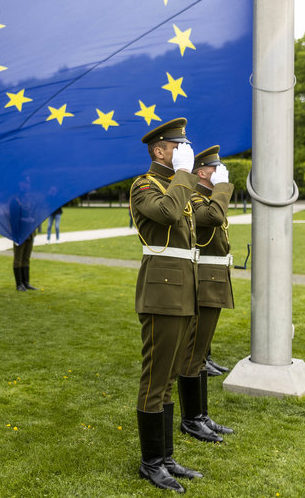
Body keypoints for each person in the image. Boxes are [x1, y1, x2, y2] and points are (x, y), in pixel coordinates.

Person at [129, 117, 202, 493]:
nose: (183, 152)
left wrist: (183, 175)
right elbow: (170, 214)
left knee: (170, 376)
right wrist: (185, 173)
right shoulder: (145, 186)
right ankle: (150, 462)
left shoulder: (175, 184)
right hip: (162, 291)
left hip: (182, 289)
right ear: (160, 150)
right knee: (155, 378)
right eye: (178, 147)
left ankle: (166, 456)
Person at [179, 145, 234, 444]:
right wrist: (223, 188)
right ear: (201, 172)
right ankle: (191, 420)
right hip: (202, 282)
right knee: (193, 354)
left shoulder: (208, 198)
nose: (220, 172)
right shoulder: (194, 198)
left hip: (213, 280)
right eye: (215, 168)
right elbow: (212, 218)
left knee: (200, 355)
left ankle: (200, 416)